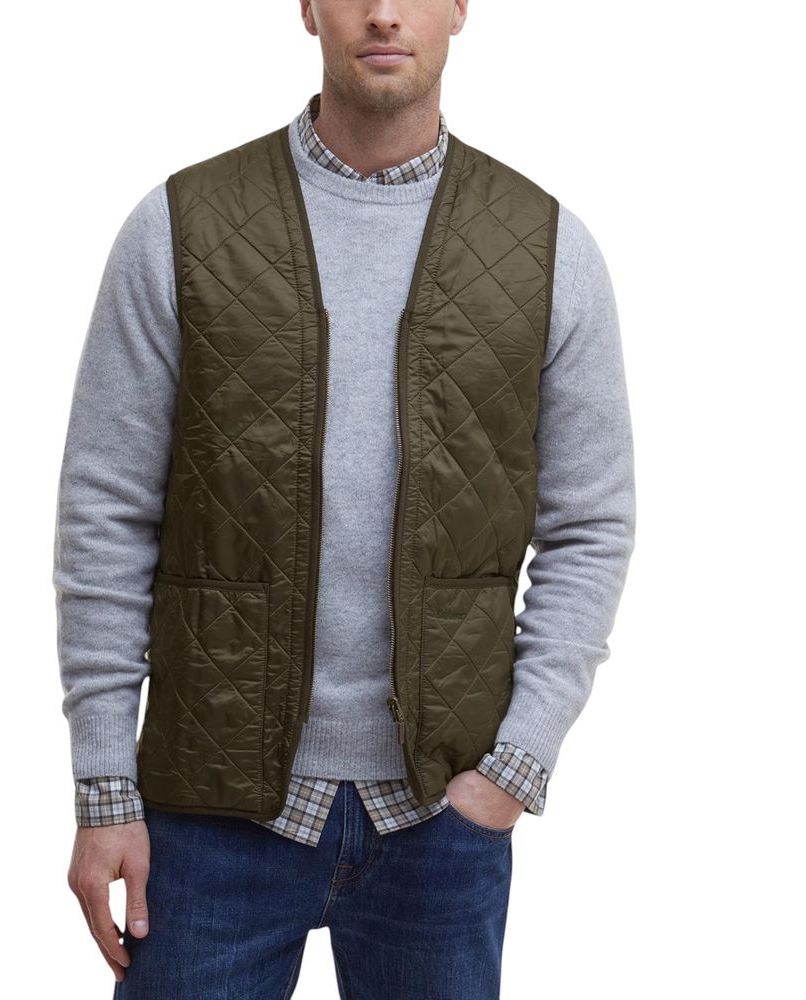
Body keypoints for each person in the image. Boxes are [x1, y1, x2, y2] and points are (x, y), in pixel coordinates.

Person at [53, 2, 636, 996]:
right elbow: (105, 511)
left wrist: (514, 767)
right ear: (307, 7)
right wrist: (105, 787)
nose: (383, 13)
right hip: (208, 817)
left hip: (440, 820)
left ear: (460, 8)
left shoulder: (545, 247)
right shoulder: (181, 227)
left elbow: (590, 524)